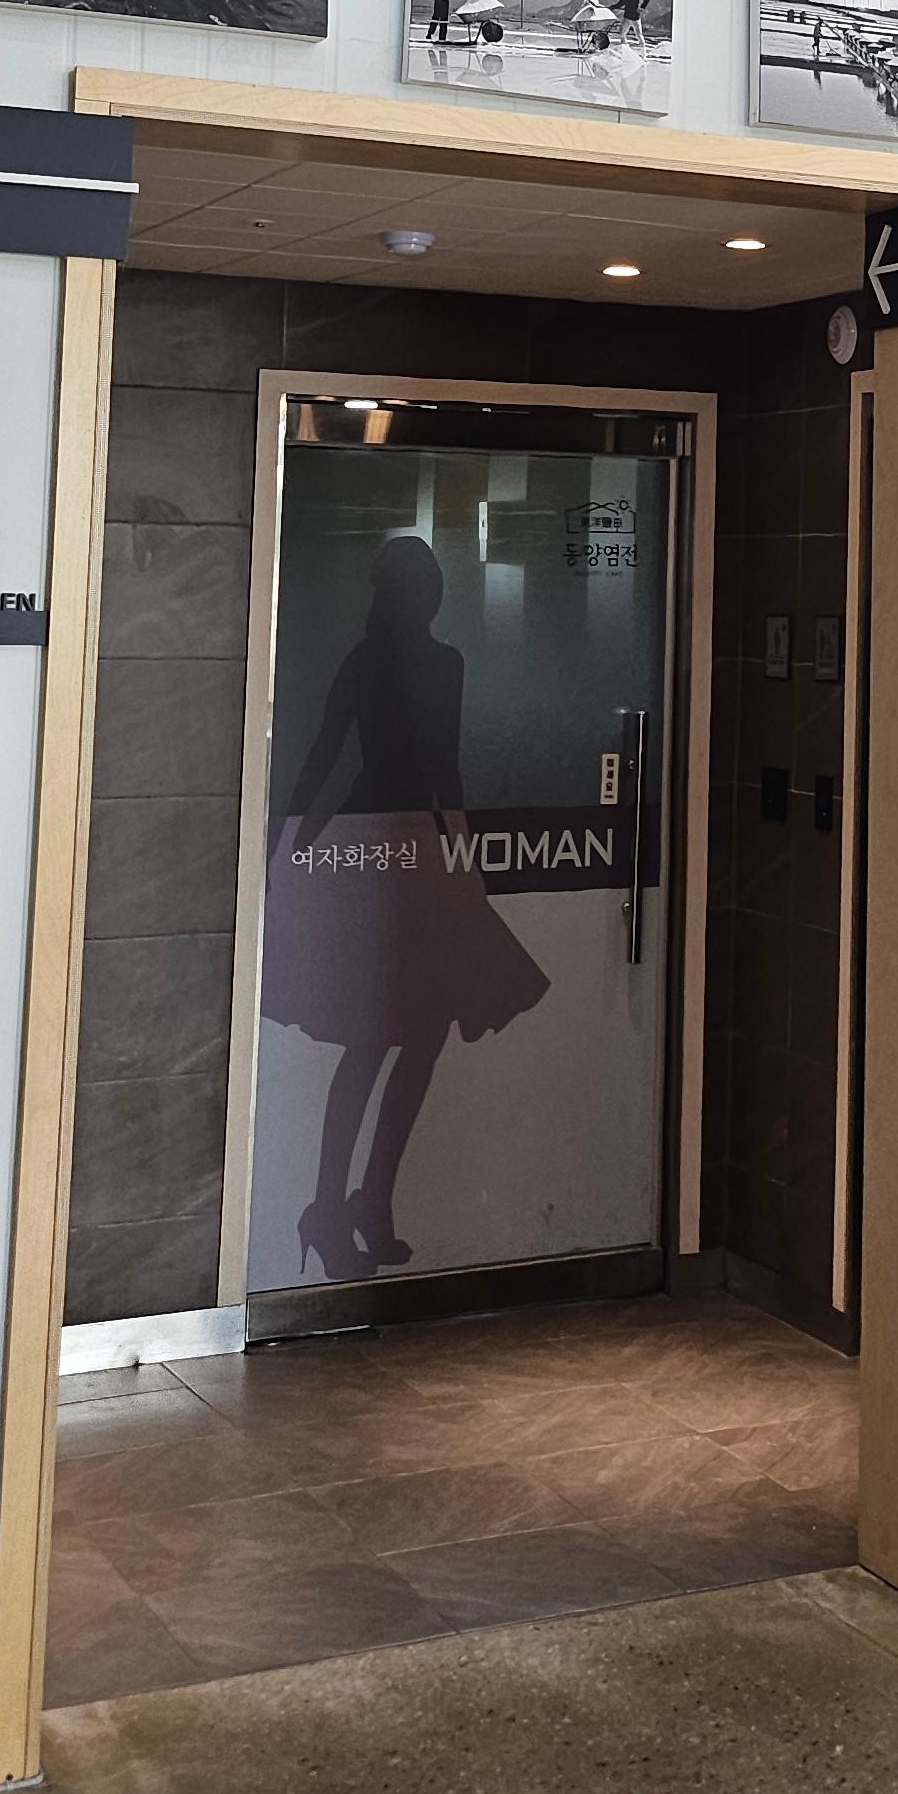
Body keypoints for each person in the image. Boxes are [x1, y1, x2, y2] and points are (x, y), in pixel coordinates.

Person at [267, 535, 547, 1283]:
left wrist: (292, 842)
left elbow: (345, 758)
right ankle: (337, 1205)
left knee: (413, 1035)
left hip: (396, 843)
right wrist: (286, 844)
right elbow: (345, 758)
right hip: (390, 845)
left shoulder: (398, 662)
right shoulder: (410, 663)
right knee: (386, 1036)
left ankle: (363, 1201)